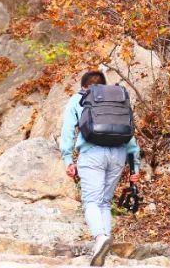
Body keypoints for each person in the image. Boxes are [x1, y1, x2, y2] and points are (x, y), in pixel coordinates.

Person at [60, 70, 141, 266]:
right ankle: (105, 243)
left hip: (92, 154)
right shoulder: (116, 100)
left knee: (91, 202)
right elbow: (131, 138)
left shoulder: (78, 99)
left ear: (83, 86)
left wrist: (67, 159)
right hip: (118, 154)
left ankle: (99, 238)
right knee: (104, 202)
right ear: (103, 86)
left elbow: (68, 130)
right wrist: (134, 168)